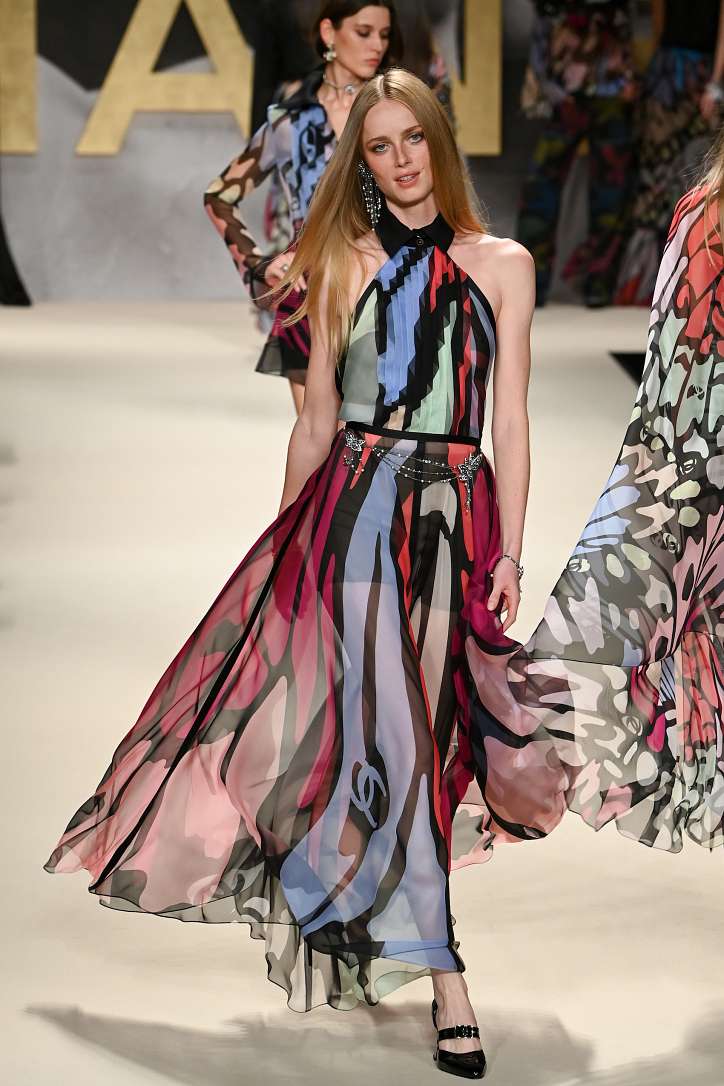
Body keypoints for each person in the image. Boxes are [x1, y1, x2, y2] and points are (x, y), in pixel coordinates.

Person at [45, 69, 566, 1077]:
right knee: (398, 737)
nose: (401, 160)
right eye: (380, 146)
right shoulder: (336, 265)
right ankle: (447, 976)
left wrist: (509, 547)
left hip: (456, 520)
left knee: (425, 735)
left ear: (439, 144)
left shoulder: (503, 265)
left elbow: (510, 417)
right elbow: (318, 420)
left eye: (413, 139)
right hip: (356, 511)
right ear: (360, 162)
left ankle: (361, 882)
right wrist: (287, 541)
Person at [470, 135, 724, 861]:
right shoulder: (706, 218)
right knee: (592, 660)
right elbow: (675, 384)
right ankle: (452, 782)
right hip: (694, 474)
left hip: (688, 474)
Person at [205, 1, 399, 416]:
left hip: (390, 294)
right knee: (320, 444)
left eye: (383, 35)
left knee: (376, 444)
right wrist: (259, 267)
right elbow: (219, 196)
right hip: (310, 297)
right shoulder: (290, 121)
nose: (377, 46)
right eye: (363, 32)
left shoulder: (395, 111)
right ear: (329, 33)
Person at [517, 0, 638, 308]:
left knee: (610, 191)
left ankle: (599, 283)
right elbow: (542, 21)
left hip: (610, 86)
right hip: (562, 89)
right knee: (540, 187)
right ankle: (531, 281)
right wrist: (544, 82)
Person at [615, 0, 724, 305]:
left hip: (699, 75)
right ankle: (646, 281)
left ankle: (694, 280)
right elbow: (658, 25)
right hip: (669, 73)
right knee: (657, 176)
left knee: (701, 177)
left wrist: (716, 83)